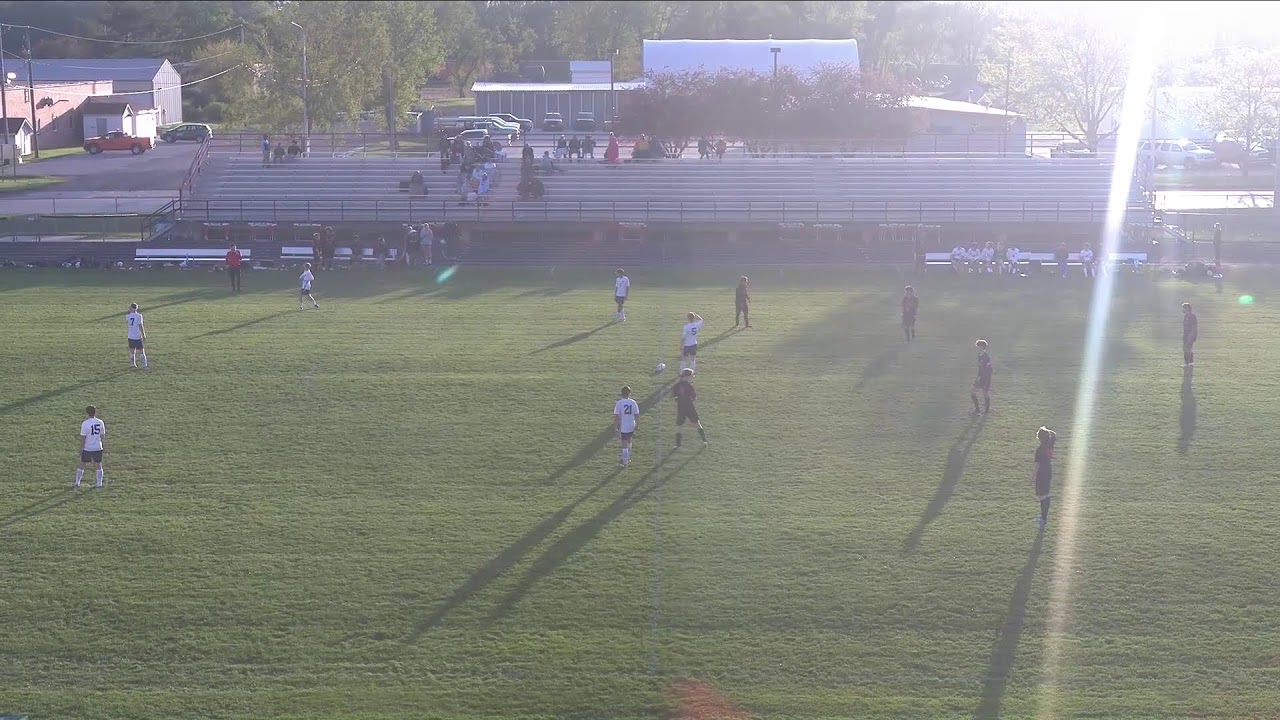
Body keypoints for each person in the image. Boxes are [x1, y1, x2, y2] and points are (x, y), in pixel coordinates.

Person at [671, 368, 708, 449]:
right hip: (689, 407)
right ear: (687, 376)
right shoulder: (689, 386)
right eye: (690, 376)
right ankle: (704, 441)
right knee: (697, 424)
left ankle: (677, 445)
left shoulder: (676, 386)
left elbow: (674, 397)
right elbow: (694, 397)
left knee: (679, 426)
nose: (691, 378)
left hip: (681, 408)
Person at [76, 405, 106, 489]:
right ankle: (99, 484)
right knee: (98, 465)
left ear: (87, 413)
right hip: (97, 447)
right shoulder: (100, 422)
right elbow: (102, 435)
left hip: (87, 448)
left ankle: (77, 483)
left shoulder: (85, 423)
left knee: (82, 464)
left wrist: (81, 449)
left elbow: (83, 438)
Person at [1032, 426, 1057, 527]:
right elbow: (1054, 434)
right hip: (1048, 472)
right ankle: (1044, 517)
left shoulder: (1039, 450)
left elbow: (1037, 465)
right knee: (1046, 494)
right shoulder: (1050, 444)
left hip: (1041, 474)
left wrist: (1032, 478)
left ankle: (1043, 518)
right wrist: (1047, 432)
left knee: (1042, 496)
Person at [613, 385, 640, 468]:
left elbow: (617, 417)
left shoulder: (619, 403)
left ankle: (625, 463)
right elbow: (637, 414)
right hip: (632, 424)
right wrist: (637, 424)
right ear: (629, 394)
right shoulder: (633, 402)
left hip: (624, 426)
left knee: (624, 444)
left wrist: (615, 427)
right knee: (629, 441)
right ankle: (628, 458)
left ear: (622, 393)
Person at [972, 339, 993, 415]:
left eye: (978, 346)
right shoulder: (979, 355)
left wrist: (983, 377)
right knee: (972, 392)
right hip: (980, 376)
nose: (976, 348)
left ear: (982, 347)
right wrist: (978, 376)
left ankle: (986, 411)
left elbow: (989, 369)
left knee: (985, 393)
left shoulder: (986, 357)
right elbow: (980, 368)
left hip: (986, 378)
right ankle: (977, 410)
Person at [126, 302, 148, 369]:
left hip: (130, 336)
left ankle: (133, 364)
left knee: (132, 351)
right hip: (137, 336)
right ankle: (144, 365)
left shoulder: (127, 316)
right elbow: (140, 326)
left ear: (132, 308)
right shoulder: (139, 316)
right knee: (141, 351)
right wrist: (143, 335)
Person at [1182, 302, 1197, 368]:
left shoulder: (1192, 316)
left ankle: (1187, 363)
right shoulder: (1185, 316)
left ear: (1187, 308)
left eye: (1184, 308)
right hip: (1186, 335)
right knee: (1188, 349)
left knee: (1186, 349)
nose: (1183, 310)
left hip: (1190, 335)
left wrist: (1191, 336)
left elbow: (1194, 326)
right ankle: (1191, 363)